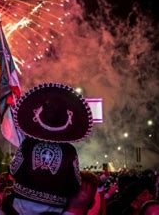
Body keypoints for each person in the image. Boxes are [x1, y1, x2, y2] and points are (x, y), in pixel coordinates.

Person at [8, 83, 95, 215]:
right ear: (67, 121)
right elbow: (75, 182)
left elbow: (13, 169)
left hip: (21, 204)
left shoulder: (28, 143)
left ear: (39, 116)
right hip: (54, 208)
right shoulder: (69, 151)